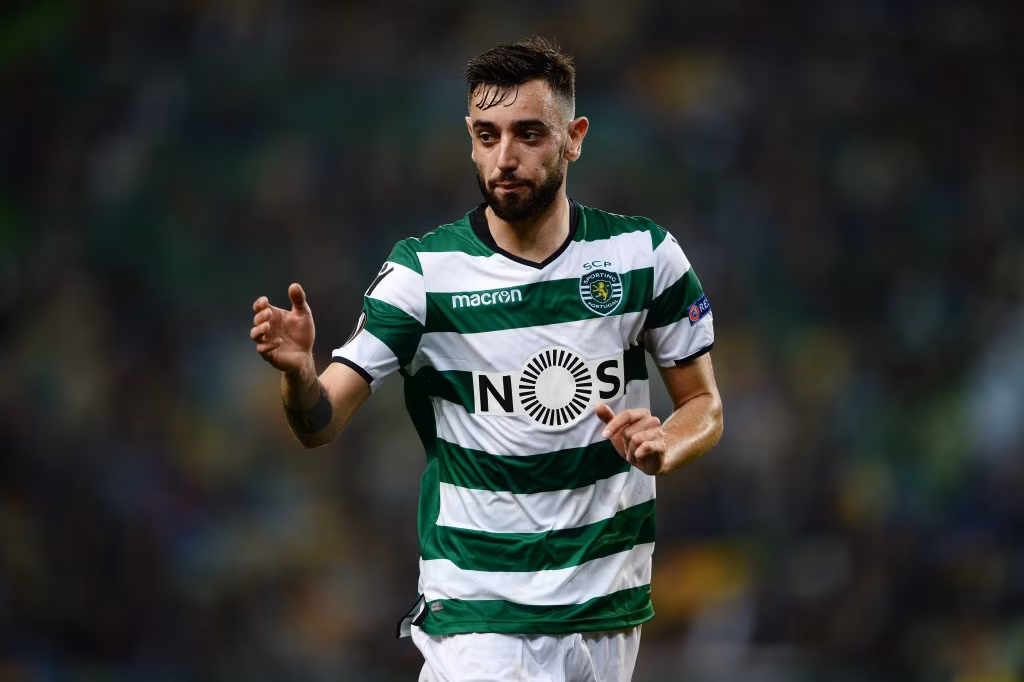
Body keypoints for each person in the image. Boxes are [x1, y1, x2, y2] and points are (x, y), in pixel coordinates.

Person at [250, 36, 723, 682]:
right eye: (487, 135)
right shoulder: (424, 274)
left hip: (610, 613)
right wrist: (301, 374)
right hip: (483, 620)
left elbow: (703, 405)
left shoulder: (644, 257)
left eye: (528, 134)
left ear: (574, 138)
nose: (505, 157)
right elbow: (320, 421)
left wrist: (665, 444)